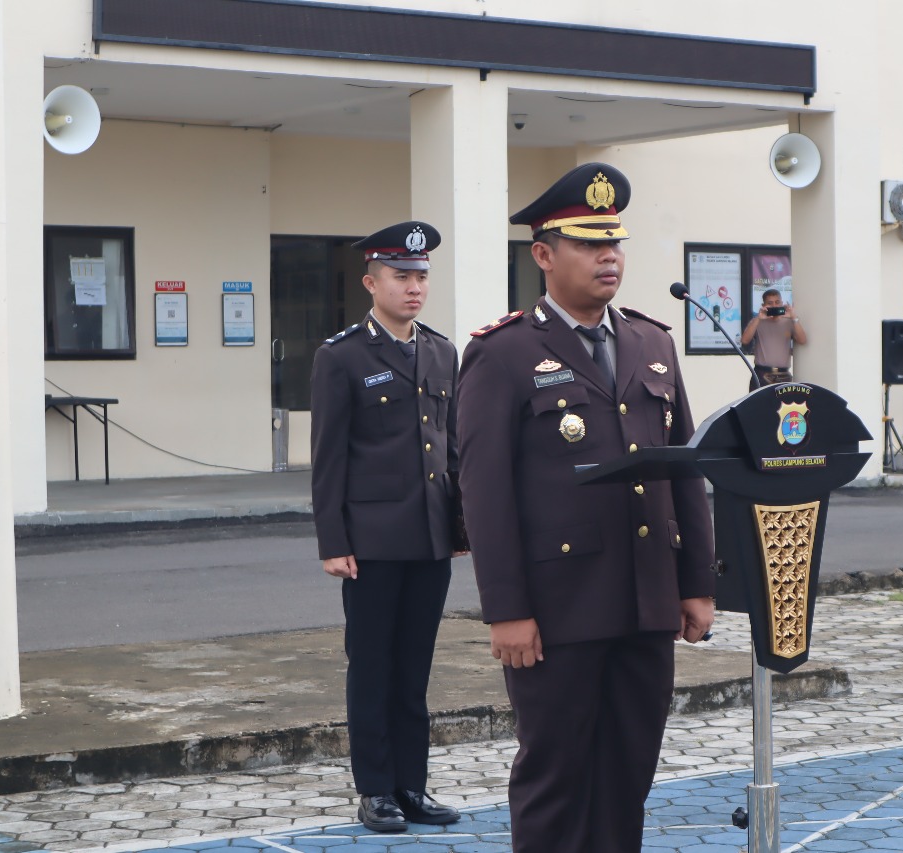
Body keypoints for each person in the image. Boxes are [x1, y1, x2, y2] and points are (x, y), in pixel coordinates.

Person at [456, 163, 716, 853]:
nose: (609, 256)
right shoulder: (504, 353)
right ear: (543, 254)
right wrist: (506, 609)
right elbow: (485, 494)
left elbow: (683, 470)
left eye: (615, 242)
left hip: (645, 600)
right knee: (556, 776)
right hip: (557, 606)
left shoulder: (652, 342)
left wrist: (695, 583)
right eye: (588, 243)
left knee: (628, 772)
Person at [309, 221, 467, 834]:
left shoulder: (440, 351)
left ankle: (411, 785)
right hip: (371, 541)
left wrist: (459, 527)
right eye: (402, 277)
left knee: (415, 669)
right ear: (372, 282)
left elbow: (449, 448)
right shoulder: (341, 356)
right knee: (371, 665)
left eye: (421, 276)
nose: (414, 288)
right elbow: (329, 458)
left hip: (428, 538)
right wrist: (333, 542)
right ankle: (375, 790)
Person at [740, 287, 807, 391]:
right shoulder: (757, 321)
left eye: (777, 302)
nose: (774, 306)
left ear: (782, 303)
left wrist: (793, 317)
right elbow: (744, 340)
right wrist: (759, 318)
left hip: (783, 375)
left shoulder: (789, 322)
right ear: (764, 306)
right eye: (770, 303)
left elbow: (802, 340)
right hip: (762, 374)